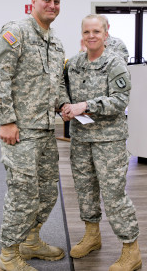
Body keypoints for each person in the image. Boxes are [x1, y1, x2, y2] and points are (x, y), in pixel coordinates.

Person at [0, 0, 70, 271]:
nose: (52, 5)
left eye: (57, 1)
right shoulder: (16, 32)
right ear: (33, 1)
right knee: (23, 193)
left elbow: (56, 84)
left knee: (47, 192)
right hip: (20, 131)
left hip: (46, 131)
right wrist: (6, 120)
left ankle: (31, 241)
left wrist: (64, 105)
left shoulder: (56, 43)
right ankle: (9, 255)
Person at [62, 14, 142, 271]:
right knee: (85, 191)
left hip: (109, 140)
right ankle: (92, 235)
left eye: (97, 31)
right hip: (81, 139)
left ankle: (131, 250)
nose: (91, 36)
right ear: (82, 35)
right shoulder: (73, 64)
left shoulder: (115, 63)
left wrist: (85, 105)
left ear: (106, 35)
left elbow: (119, 101)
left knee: (114, 195)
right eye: (87, 32)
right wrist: (63, 105)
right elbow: (62, 89)